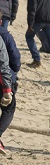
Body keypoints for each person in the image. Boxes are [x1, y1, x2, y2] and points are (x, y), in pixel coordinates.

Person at [0, 23, 19, 154]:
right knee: (9, 108)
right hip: (2, 80)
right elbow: (5, 61)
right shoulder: (5, 36)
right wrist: (7, 88)